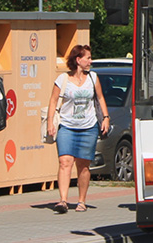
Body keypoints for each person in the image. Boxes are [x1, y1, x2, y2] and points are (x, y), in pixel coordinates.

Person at [46, 44, 110, 213]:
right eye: (88, 58)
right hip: (66, 126)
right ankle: (63, 200)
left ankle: (81, 201)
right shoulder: (63, 79)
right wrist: (50, 122)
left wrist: (105, 117)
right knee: (64, 162)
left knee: (83, 165)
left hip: (88, 127)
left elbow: (101, 98)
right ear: (78, 60)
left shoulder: (93, 78)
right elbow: (53, 101)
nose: (90, 61)